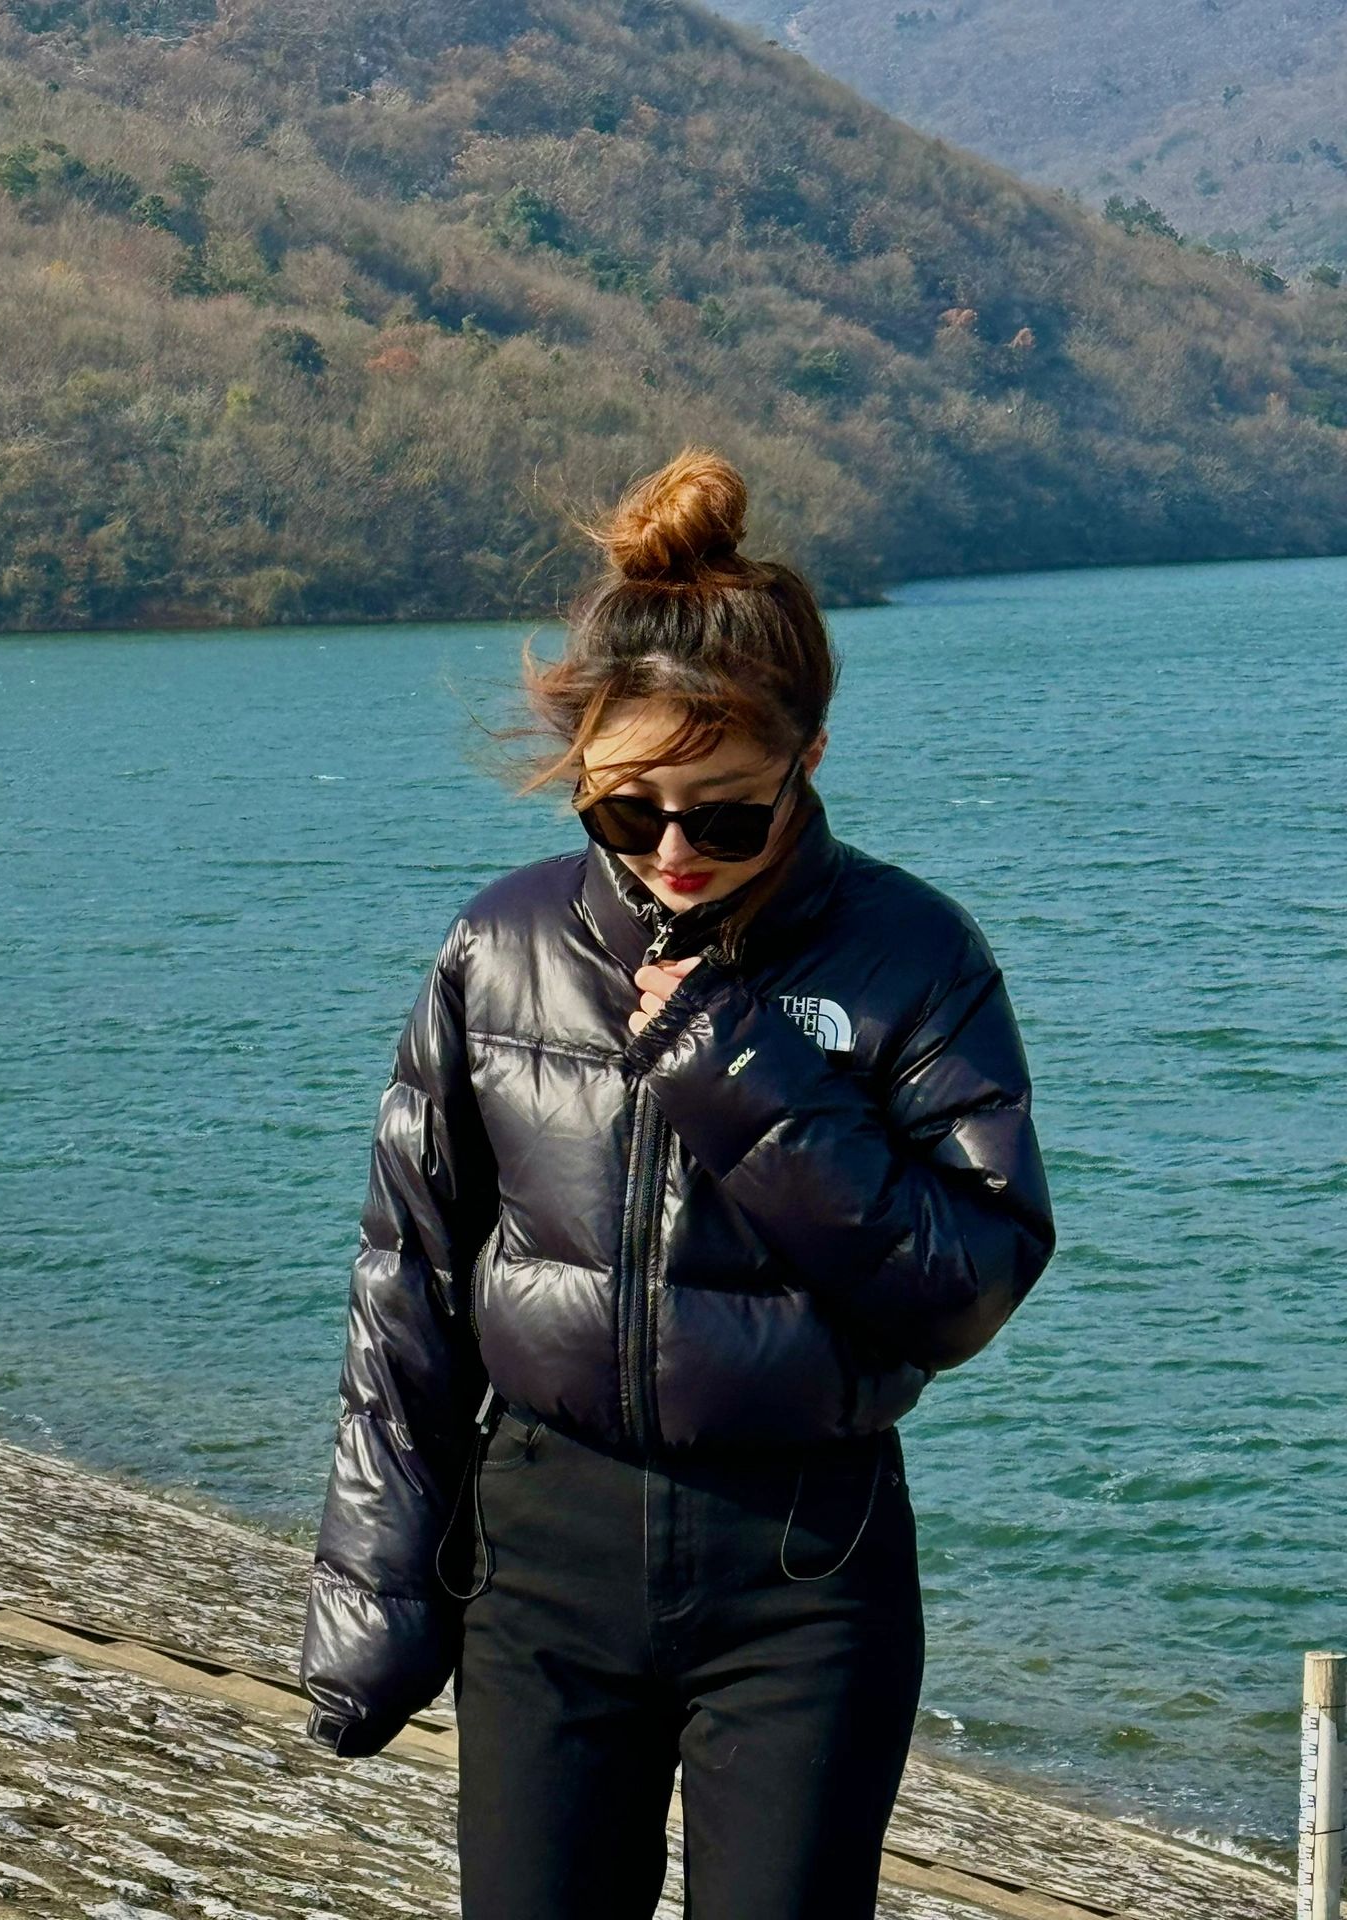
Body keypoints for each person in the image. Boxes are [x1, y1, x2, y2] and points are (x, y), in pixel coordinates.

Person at [298, 446, 1057, 1918]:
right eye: (623, 810)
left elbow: (968, 1284)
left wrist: (747, 1076)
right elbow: (409, 1284)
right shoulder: (500, 948)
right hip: (538, 1557)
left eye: (724, 813)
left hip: (804, 1571)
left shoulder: (913, 956)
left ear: (808, 762)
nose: (672, 852)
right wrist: (375, 1590)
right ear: (580, 772)